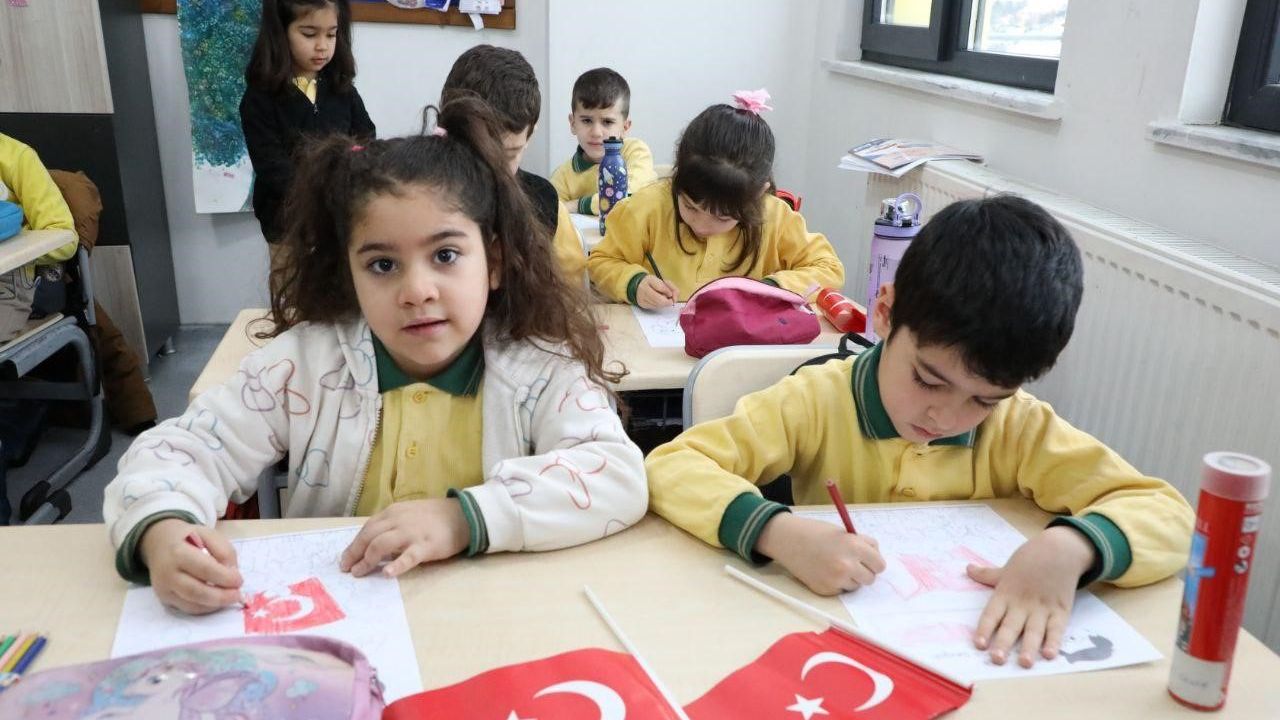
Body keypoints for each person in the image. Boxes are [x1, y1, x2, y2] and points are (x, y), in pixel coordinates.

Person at [104, 96, 647, 615]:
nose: (417, 291)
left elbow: (618, 476)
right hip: (337, 625)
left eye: (446, 255)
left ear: (495, 262)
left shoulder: (541, 367)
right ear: (349, 274)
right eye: (383, 265)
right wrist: (162, 530)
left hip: (491, 623)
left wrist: (463, 518)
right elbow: (181, 449)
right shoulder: (305, 365)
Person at [645, 194, 1193, 668]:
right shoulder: (814, 400)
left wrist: (1071, 547)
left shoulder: (1018, 425)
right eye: (928, 380)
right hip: (837, 646)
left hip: (971, 658)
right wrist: (776, 533)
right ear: (884, 312)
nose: (945, 418)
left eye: (983, 399)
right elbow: (671, 465)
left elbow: (1167, 514)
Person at [587, 90, 843, 308]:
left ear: (757, 195)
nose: (702, 225)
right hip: (657, 343)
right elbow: (601, 262)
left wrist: (772, 289)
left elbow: (829, 268)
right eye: (690, 206)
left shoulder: (775, 217)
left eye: (722, 218)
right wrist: (634, 283)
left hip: (740, 347)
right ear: (678, 176)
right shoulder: (648, 207)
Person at [240, 0, 375, 257]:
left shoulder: (343, 90)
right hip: (287, 225)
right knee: (290, 282)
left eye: (331, 35)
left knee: (337, 281)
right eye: (310, 34)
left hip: (339, 219)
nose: (322, 46)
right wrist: (319, 195)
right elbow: (271, 166)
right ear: (281, 32)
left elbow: (365, 137)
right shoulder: (259, 99)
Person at [440, 44, 586, 281]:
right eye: (475, 153)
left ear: (530, 135)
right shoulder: (418, 194)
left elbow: (569, 284)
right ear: (445, 130)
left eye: (508, 155)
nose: (492, 170)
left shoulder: (544, 202)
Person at [551, 67, 656, 216]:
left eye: (607, 122)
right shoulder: (562, 177)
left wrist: (579, 205)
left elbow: (623, 195)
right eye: (587, 120)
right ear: (573, 124)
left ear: (625, 127)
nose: (596, 132)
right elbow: (552, 215)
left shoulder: (635, 152)